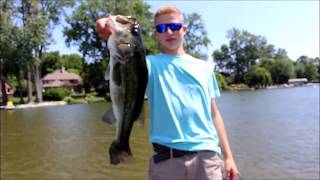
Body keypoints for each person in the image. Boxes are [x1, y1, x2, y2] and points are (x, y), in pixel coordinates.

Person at [96, 5, 240, 180]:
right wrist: (111, 25)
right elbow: (106, 30)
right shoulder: (148, 65)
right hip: (166, 160)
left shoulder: (205, 68)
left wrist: (229, 157)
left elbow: (215, 114)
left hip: (207, 159)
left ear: (184, 30)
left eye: (175, 26)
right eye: (162, 28)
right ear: (157, 34)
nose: (169, 32)